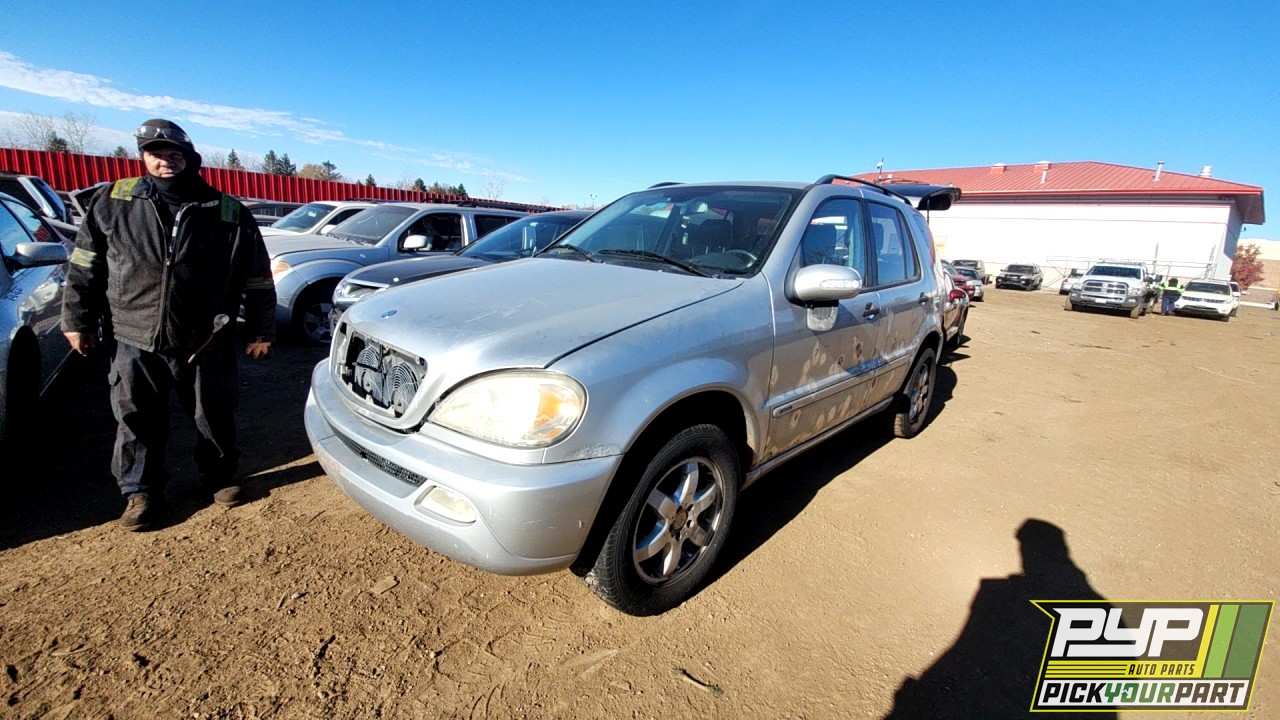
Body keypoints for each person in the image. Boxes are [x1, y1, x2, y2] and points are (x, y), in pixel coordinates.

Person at [61, 118, 276, 531]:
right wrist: (77, 319)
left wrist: (260, 331)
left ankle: (218, 477)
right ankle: (140, 493)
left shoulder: (228, 212)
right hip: (134, 333)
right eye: (155, 154)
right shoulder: (113, 201)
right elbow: (84, 266)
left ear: (190, 158)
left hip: (206, 336)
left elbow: (258, 278)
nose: (165, 162)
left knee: (213, 413)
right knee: (136, 416)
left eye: (174, 154)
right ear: (143, 157)